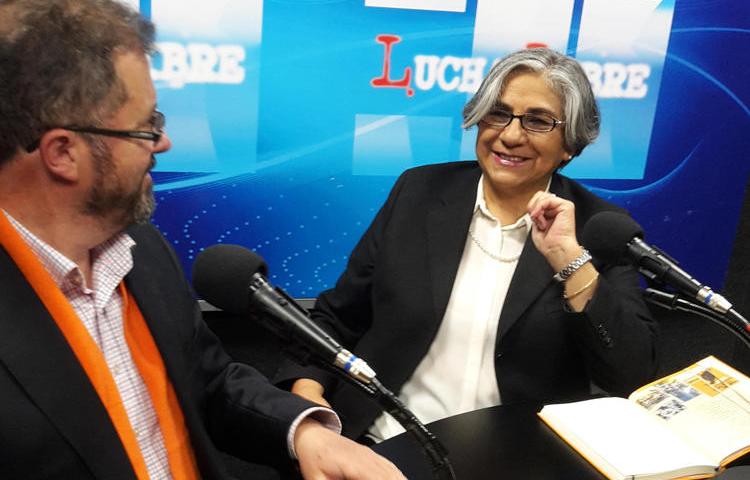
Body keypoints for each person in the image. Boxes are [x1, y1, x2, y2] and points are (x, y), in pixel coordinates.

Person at [0, 1, 405, 478]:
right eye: (147, 127)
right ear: (63, 152)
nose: (163, 143)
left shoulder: (142, 250)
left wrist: (304, 433)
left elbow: (209, 382)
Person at [281, 47, 659, 442]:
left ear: (570, 143)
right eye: (499, 113)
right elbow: (339, 317)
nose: (511, 135)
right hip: (380, 441)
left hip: (513, 459)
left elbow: (630, 374)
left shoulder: (598, 229)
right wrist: (309, 398)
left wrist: (571, 259)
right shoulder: (419, 192)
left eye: (538, 121)